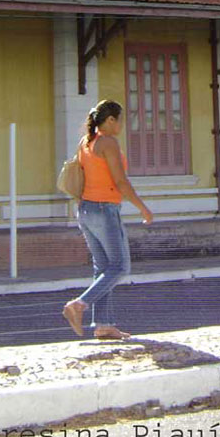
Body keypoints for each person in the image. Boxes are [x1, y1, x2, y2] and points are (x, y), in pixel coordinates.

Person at [62, 99, 154, 340]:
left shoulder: (86, 142)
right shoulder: (108, 143)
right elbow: (120, 182)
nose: (122, 125)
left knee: (103, 268)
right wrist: (142, 208)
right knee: (120, 267)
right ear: (111, 120)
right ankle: (79, 305)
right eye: (121, 120)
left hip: (85, 210)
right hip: (104, 210)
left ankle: (103, 324)